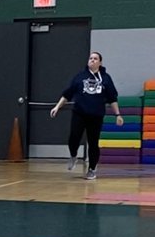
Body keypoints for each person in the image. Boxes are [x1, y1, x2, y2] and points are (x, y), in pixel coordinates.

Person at [50, 50, 123, 180]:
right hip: (80, 113)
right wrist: (57, 107)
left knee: (93, 143)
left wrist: (118, 115)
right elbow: (68, 94)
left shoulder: (106, 78)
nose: (92, 60)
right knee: (74, 137)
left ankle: (92, 169)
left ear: (100, 62)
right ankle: (73, 155)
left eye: (95, 58)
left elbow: (112, 98)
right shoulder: (80, 77)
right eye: (90, 58)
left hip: (96, 116)